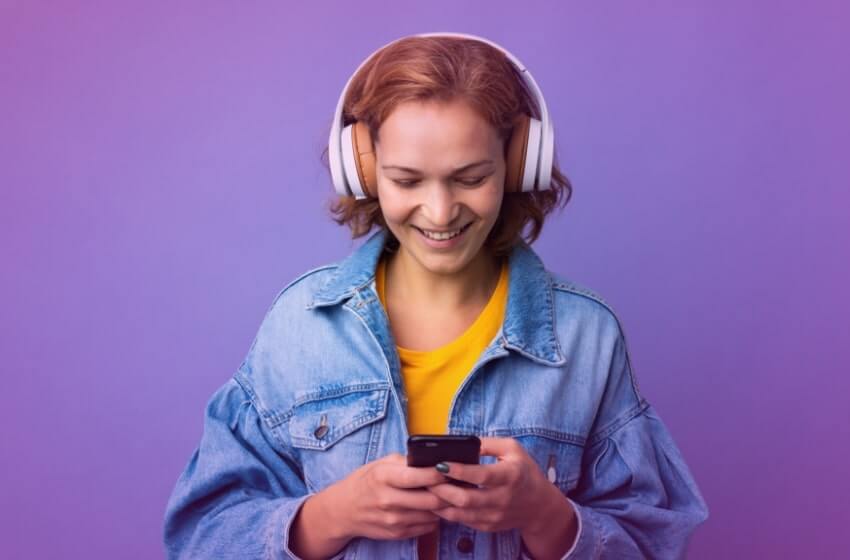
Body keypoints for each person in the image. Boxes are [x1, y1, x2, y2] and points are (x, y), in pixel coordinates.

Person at [163, 32, 709, 559]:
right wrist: (330, 516)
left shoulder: (587, 336)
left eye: (470, 178)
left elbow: (653, 542)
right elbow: (200, 536)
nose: (440, 212)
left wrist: (546, 516)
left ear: (519, 163)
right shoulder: (299, 325)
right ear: (364, 169)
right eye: (406, 181)